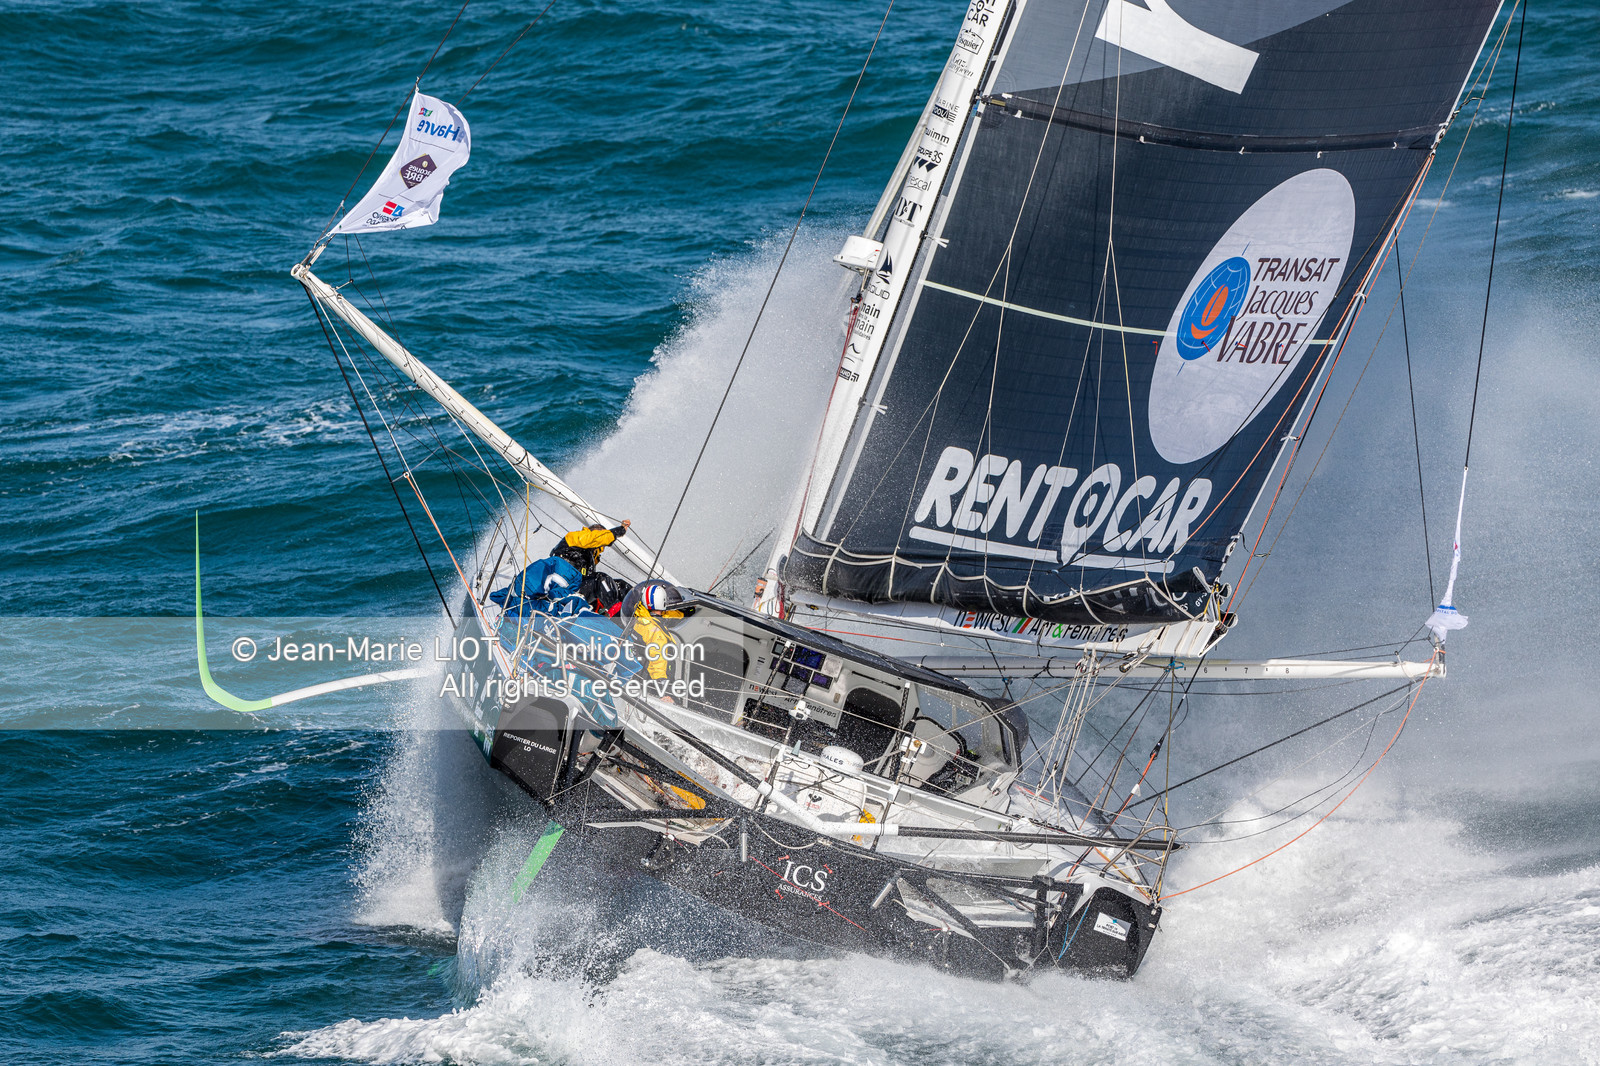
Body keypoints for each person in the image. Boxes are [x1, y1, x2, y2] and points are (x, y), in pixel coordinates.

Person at [619, 579, 689, 687]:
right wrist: (663, 688)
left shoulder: (639, 623)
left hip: (637, 680)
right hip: (652, 686)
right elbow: (658, 661)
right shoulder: (657, 632)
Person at [551, 519, 630, 576]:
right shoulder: (576, 537)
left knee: (618, 585)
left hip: (577, 585)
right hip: (561, 576)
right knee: (601, 579)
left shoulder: (592, 554)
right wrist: (620, 530)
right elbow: (595, 539)